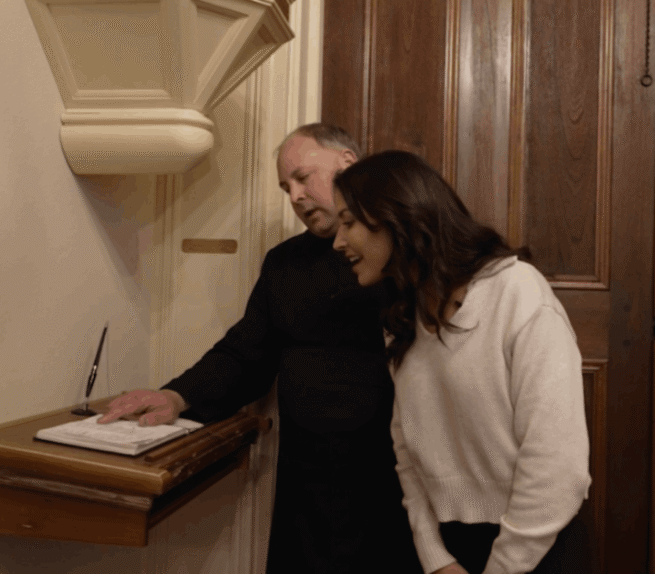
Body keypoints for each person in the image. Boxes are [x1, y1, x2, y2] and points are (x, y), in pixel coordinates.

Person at [98, 124, 422, 574]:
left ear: (348, 163)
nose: (294, 196)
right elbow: (246, 352)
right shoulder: (285, 263)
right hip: (305, 483)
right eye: (286, 187)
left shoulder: (405, 256)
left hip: (392, 479)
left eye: (303, 178)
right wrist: (175, 395)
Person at [331, 150, 591, 574]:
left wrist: (504, 566)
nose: (339, 240)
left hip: (537, 549)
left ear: (395, 214)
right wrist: (436, 558)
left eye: (349, 222)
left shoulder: (516, 292)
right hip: (449, 554)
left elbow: (557, 467)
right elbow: (407, 454)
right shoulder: (402, 318)